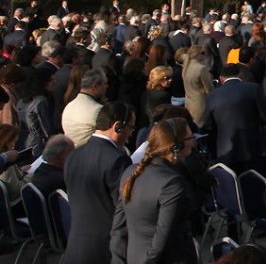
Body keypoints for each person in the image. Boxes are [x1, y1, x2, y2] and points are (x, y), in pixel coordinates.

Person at [110, 117, 199, 264]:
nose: (193, 141)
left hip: (134, 257)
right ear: (176, 146)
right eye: (190, 138)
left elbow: (118, 228)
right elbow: (162, 238)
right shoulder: (171, 183)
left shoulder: (130, 172)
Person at [62, 102, 135, 264]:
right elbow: (125, 207)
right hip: (105, 249)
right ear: (118, 127)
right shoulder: (118, 160)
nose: (130, 134)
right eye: (130, 128)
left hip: (75, 246)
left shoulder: (73, 156)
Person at [203, 64, 266, 172]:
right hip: (254, 146)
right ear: (240, 74)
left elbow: (208, 126)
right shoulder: (253, 88)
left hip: (226, 150)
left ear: (221, 78)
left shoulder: (212, 96)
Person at [61, 68, 107, 147]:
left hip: (71, 154)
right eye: (105, 83)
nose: (107, 86)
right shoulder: (97, 109)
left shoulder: (69, 106)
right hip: (90, 155)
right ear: (95, 86)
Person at [15, 67, 55, 157]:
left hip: (22, 140)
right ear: (43, 83)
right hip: (36, 142)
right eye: (51, 80)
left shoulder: (22, 100)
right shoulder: (41, 101)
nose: (54, 83)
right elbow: (46, 127)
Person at [182, 44, 215, 128]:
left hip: (189, 101)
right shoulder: (201, 68)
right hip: (200, 103)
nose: (205, 55)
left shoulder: (186, 66)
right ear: (197, 55)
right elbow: (209, 88)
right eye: (203, 53)